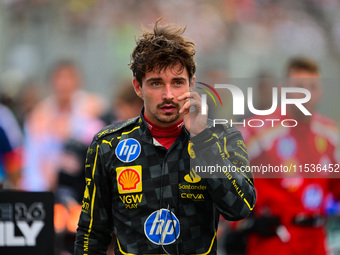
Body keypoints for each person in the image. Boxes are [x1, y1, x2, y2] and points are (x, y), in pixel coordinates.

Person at [74, 20, 256, 255]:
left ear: (191, 83)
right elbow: (91, 234)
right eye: (156, 83)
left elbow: (240, 208)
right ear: (138, 88)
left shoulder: (223, 137)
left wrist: (202, 141)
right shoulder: (108, 144)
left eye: (177, 83)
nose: (168, 95)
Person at [242, 57, 340, 255]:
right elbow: (219, 173)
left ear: (320, 91)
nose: (306, 94)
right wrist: (242, 222)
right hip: (274, 242)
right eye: (299, 87)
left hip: (317, 242)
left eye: (312, 87)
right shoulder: (259, 130)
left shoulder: (331, 135)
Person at [22, 60, 106, 191]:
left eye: (69, 77)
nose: (63, 83)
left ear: (78, 81)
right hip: (46, 186)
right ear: (50, 82)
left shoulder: (94, 107)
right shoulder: (38, 115)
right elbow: (32, 157)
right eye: (59, 78)